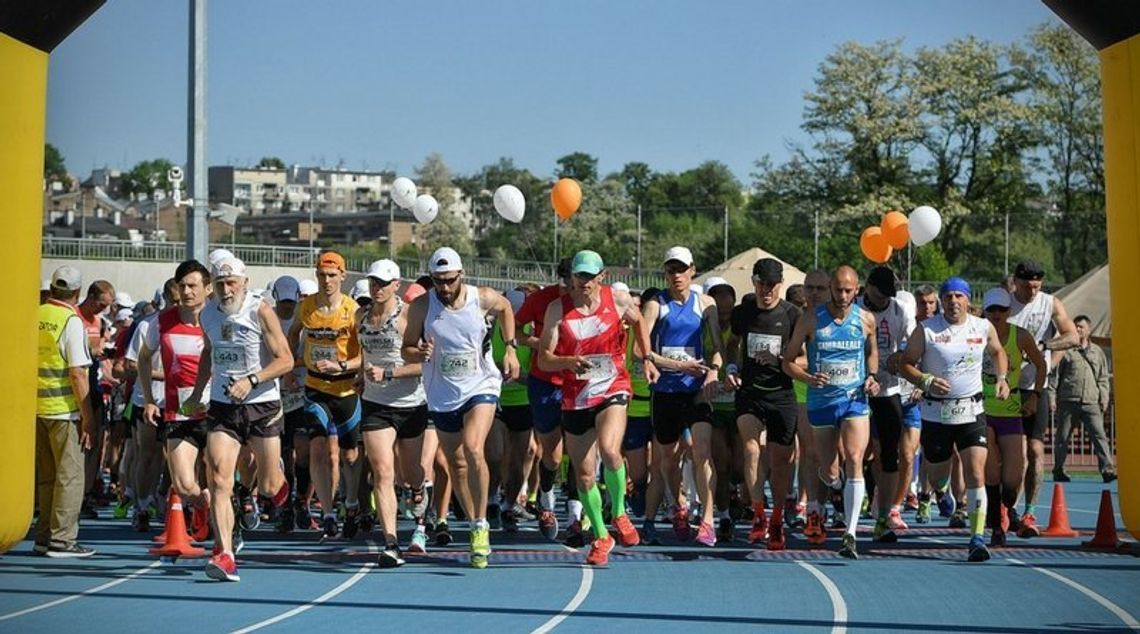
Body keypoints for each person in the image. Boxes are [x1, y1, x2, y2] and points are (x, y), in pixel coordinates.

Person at [403, 247, 519, 569]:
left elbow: (507, 308)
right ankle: (472, 522)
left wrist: (509, 349)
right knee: (456, 464)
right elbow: (407, 348)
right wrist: (419, 351)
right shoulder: (422, 306)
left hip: (480, 385)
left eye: (449, 280)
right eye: (438, 281)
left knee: (473, 448)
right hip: (442, 393)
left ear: (461, 275)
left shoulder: (480, 297)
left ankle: (481, 525)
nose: (444, 288)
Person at [182, 257, 294, 582]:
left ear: (244, 282)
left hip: (262, 405)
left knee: (271, 487)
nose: (226, 289)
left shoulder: (260, 311)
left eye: (232, 282)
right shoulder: (208, 315)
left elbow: (285, 360)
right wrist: (196, 393)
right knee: (218, 478)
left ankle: (275, 479)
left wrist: (253, 380)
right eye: (220, 284)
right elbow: (209, 353)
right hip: (223, 405)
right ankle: (225, 554)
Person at [538, 250, 651, 565]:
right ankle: (602, 537)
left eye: (590, 276)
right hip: (576, 396)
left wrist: (647, 356)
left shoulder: (617, 299)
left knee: (610, 449)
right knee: (584, 475)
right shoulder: (556, 310)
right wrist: (568, 362)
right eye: (579, 276)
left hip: (613, 387)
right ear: (572, 277)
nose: (584, 282)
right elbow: (544, 359)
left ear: (602, 276)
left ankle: (618, 512)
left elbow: (639, 320)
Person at [900, 277, 1010, 562]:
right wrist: (925, 380)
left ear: (967, 300)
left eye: (958, 296)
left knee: (976, 472)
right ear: (942, 301)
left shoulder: (982, 327)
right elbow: (906, 363)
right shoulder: (927, 330)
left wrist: (1001, 378)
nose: (953, 302)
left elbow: (998, 351)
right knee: (937, 474)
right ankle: (943, 490)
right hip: (936, 412)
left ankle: (976, 538)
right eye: (948, 297)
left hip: (971, 410)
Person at [782, 266, 879, 559]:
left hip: (854, 400)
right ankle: (835, 486)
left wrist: (872, 376)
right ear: (831, 289)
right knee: (829, 469)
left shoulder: (865, 319)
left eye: (849, 291)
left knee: (854, 458)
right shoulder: (811, 319)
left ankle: (850, 533)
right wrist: (808, 377)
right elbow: (787, 361)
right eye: (838, 290)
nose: (843, 296)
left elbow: (872, 352)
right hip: (821, 402)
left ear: (857, 289)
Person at [641, 246, 724, 546]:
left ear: (692, 270)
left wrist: (714, 370)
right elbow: (644, 350)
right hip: (665, 392)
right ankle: (680, 505)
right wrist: (678, 365)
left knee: (702, 450)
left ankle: (708, 520)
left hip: (696, 391)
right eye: (670, 270)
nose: (676, 275)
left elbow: (717, 346)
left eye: (681, 269)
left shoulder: (705, 303)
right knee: (667, 459)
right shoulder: (656, 305)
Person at [356, 259, 429, 567]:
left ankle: (418, 495)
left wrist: (387, 373)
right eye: (374, 282)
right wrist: (360, 374)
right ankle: (391, 543)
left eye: (384, 283)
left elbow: (423, 364)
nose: (377, 288)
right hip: (375, 405)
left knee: (410, 472)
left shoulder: (407, 317)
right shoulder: (360, 315)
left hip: (410, 403)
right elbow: (361, 354)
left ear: (396, 285)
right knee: (383, 471)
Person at [286, 251, 363, 539]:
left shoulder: (353, 310)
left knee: (350, 455)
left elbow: (364, 358)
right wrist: (290, 364)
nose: (326, 280)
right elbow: (293, 333)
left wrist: (341, 365)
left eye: (332, 275)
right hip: (316, 387)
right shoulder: (306, 307)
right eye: (321, 275)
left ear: (342, 276)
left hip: (345, 389)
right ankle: (328, 512)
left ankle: (352, 502)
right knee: (318, 449)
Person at [726, 258, 802, 550]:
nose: (766, 290)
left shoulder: (792, 315)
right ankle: (758, 513)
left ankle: (778, 518)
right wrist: (731, 369)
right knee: (750, 448)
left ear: (779, 285)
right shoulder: (743, 313)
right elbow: (732, 344)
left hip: (782, 394)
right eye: (761, 284)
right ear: (754, 283)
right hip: (750, 392)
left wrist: (781, 361)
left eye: (771, 285)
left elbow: (805, 359)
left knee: (781, 463)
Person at [138, 261, 213, 549]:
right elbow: (144, 358)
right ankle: (202, 504)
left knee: (217, 474)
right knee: (182, 484)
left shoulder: (218, 321)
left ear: (207, 288)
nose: (186, 291)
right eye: (182, 285)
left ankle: (226, 539)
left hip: (215, 409)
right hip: (177, 411)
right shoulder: (163, 321)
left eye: (193, 285)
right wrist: (147, 399)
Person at [1008, 260, 1078, 537]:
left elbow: (1072, 336)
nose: (1031, 292)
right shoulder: (1005, 303)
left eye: (1036, 286)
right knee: (1013, 454)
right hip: (1006, 388)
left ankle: (1030, 512)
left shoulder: (1050, 303)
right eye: (1026, 286)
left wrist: (1045, 347)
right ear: (1016, 282)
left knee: (1035, 451)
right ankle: (1005, 508)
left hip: (1037, 386)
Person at [34, 265, 97, 557]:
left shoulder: (36, 314)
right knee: (71, 477)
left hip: (35, 410)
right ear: (77, 292)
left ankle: (44, 535)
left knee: (46, 478)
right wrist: (88, 417)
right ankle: (62, 540)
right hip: (63, 410)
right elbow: (78, 374)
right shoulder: (70, 321)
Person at [514, 258, 575, 541]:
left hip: (581, 382)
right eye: (565, 281)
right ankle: (546, 499)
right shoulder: (540, 299)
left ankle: (576, 515)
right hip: (545, 382)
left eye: (574, 280)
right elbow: (513, 328)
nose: (570, 287)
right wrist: (533, 342)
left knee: (581, 449)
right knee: (552, 453)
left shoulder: (593, 300)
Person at [980, 287, 1045, 546]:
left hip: (1010, 411)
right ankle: (997, 526)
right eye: (991, 309)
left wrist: (1035, 396)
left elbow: (1041, 365)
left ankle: (1008, 507)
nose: (996, 314)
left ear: (1009, 311)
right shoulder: (975, 333)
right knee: (992, 476)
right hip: (982, 412)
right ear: (985, 310)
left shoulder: (1020, 336)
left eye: (1001, 309)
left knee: (1012, 481)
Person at [859, 266, 916, 543]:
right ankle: (838, 498)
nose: (884, 301)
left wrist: (903, 356)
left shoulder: (898, 310)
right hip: (854, 390)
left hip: (888, 389)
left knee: (889, 453)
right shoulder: (854, 307)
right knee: (853, 453)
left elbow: (914, 343)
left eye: (888, 296)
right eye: (880, 295)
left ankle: (884, 516)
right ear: (867, 286)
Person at [269, 276, 311, 532]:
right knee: (282, 454)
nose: (286, 307)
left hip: (301, 392)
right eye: (282, 302)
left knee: (303, 450)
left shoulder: (304, 320)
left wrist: (292, 368)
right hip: (273, 395)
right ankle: (284, 506)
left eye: (290, 301)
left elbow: (311, 355)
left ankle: (302, 502)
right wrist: (282, 371)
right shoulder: (266, 318)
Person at [1053, 314, 1116, 483]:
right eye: (1076, 326)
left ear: (1089, 330)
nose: (1078, 329)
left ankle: (1107, 469)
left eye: (1081, 327)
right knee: (1063, 437)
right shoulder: (1065, 351)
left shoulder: (1098, 352)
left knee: (1099, 436)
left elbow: (1103, 377)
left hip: (1091, 402)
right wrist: (1052, 397)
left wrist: (1104, 398)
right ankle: (1059, 469)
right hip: (1068, 400)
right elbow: (1055, 376)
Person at [703, 276, 741, 542]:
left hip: (738, 403)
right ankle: (725, 516)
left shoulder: (741, 329)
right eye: (720, 308)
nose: (725, 312)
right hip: (713, 403)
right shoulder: (703, 329)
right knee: (722, 463)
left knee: (739, 466)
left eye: (729, 307)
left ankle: (736, 491)